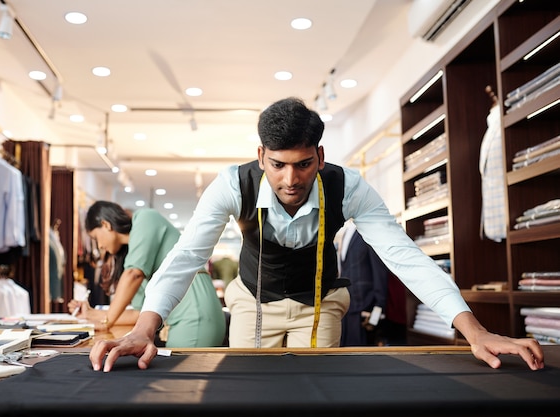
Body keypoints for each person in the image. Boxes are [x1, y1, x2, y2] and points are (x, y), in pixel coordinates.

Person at [90, 97, 544, 372]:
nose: (291, 178)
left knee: (319, 390)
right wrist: (146, 329)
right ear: (260, 155)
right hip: (253, 299)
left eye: (303, 163)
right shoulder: (232, 184)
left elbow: (404, 257)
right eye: (278, 165)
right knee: (250, 391)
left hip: (321, 300)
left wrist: (474, 332)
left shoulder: (350, 187)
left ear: (320, 156)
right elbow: (188, 256)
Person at [68, 201, 226, 347]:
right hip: (189, 318)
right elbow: (139, 313)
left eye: (96, 238)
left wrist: (106, 321)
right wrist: (93, 314)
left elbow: (133, 274)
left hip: (194, 314)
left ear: (106, 224)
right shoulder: (135, 257)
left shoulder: (145, 218)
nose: (100, 246)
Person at [337, 222, 389, 346]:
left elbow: (379, 271)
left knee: (362, 357)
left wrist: (376, 315)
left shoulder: (368, 230)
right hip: (347, 309)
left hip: (365, 309)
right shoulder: (344, 233)